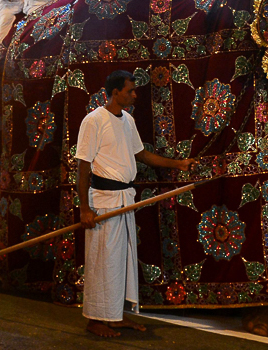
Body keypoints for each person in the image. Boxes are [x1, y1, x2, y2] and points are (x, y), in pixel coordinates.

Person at [77, 70, 193, 337]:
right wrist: (85, 208)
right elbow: (83, 168)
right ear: (115, 93)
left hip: (124, 199)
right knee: (102, 262)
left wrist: (179, 164)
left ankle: (114, 317)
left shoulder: (127, 120)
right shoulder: (93, 121)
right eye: (130, 90)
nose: (134, 94)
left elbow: (141, 155)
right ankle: (95, 319)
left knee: (119, 262)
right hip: (103, 202)